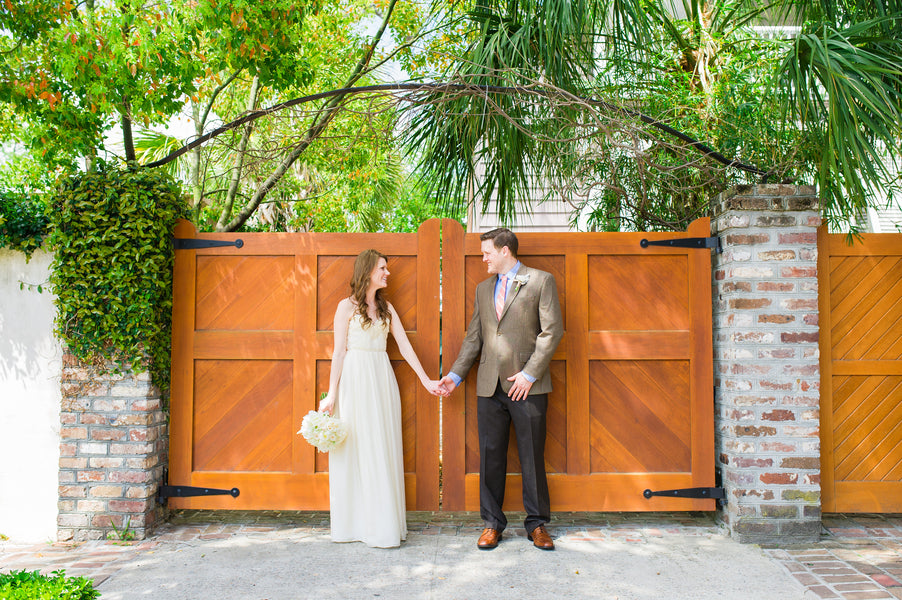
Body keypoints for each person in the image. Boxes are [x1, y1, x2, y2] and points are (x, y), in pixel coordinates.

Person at [439, 227, 563, 551]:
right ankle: (492, 524)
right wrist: (454, 376)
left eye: (487, 253)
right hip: (489, 387)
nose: (483, 259)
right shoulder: (483, 289)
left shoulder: (541, 281)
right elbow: (473, 338)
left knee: (532, 457)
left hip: (528, 388)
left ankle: (537, 526)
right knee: (491, 458)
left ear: (505, 250)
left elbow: (552, 332)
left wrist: (529, 375)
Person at [319, 249, 446, 548]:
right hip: (354, 379)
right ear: (367, 271)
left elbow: (404, 347)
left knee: (380, 446)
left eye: (387, 268)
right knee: (355, 450)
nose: (387, 273)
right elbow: (338, 353)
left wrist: (427, 380)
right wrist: (332, 395)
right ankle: (355, 525)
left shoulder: (387, 309)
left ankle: (382, 525)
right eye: (382, 268)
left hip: (381, 379)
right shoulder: (344, 307)